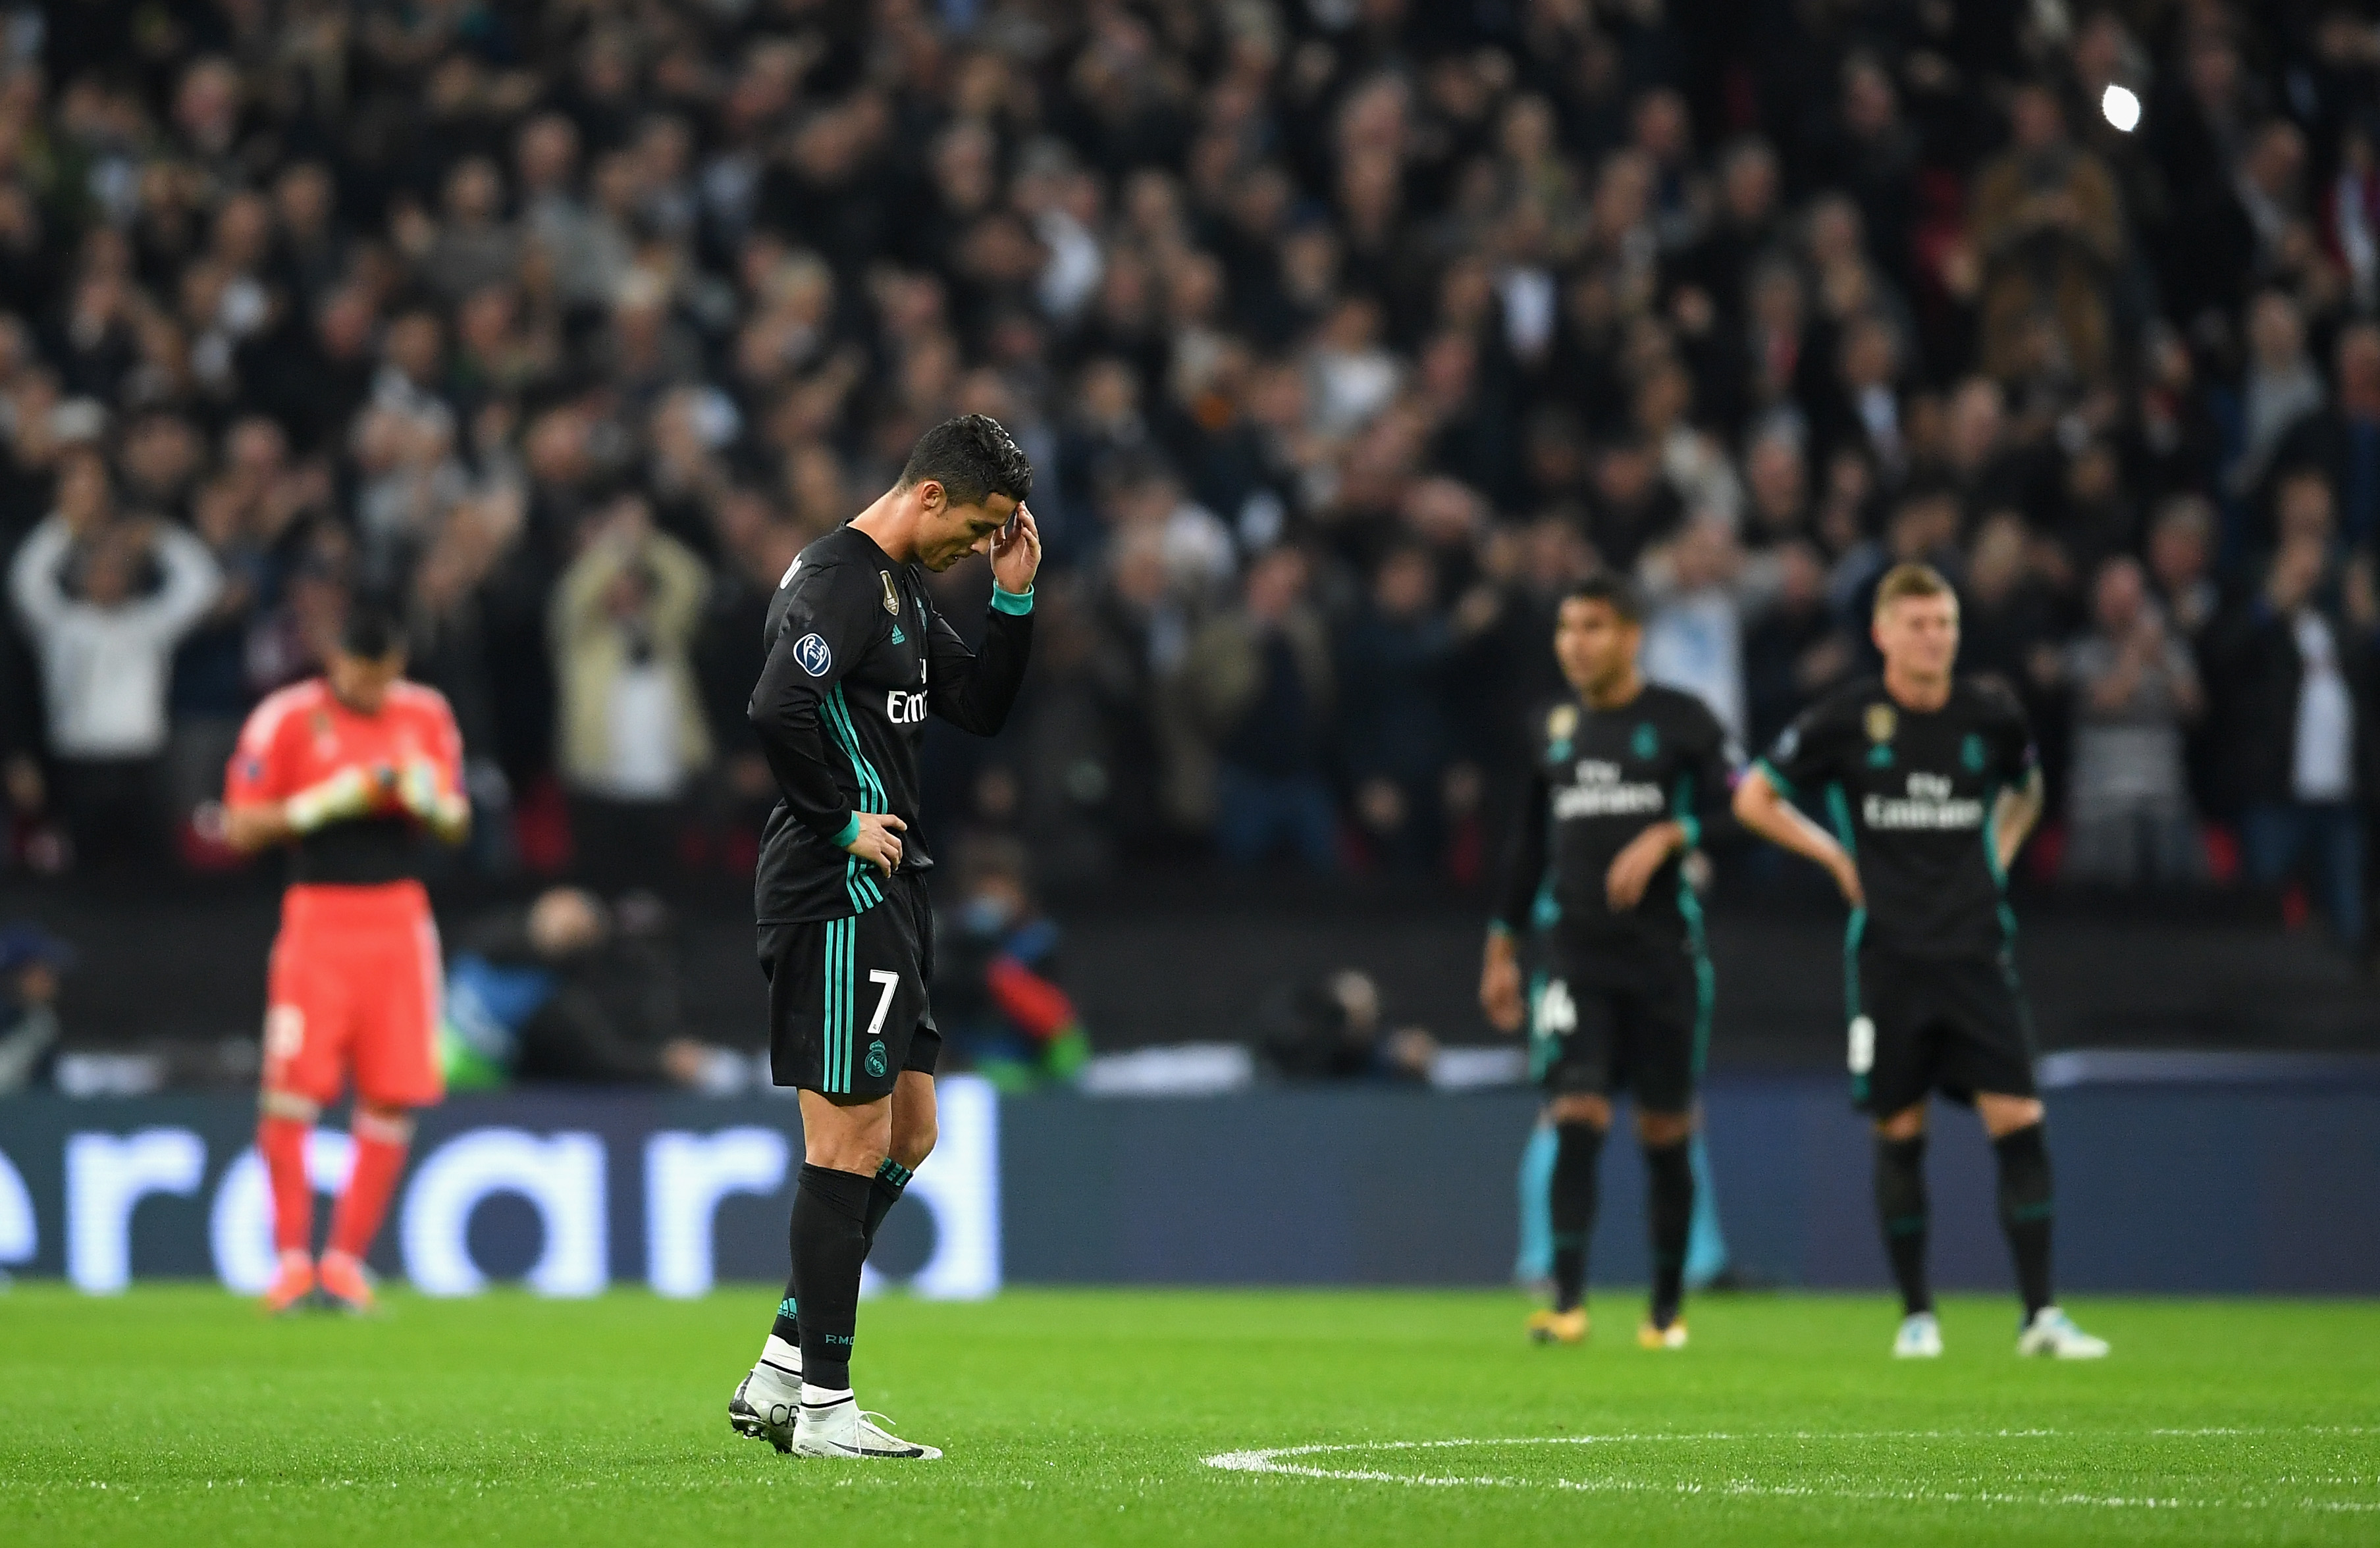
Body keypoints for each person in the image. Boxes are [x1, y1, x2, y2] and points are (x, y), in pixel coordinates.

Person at [726, 414, 1040, 1462]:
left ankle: (781, 1365)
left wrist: (1014, 595)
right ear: (932, 496)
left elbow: (979, 706)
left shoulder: (899, 589)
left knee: (909, 1133)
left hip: (889, 892)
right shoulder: (840, 579)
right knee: (846, 1142)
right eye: (980, 529)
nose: (977, 546)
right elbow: (777, 706)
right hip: (835, 891)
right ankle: (823, 1407)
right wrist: (834, 820)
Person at [1732, 562, 2109, 1360]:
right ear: (1883, 634)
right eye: (1918, 624)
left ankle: (2040, 1316)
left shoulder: (1991, 714)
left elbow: (2028, 791)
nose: (1934, 637)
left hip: (1975, 951)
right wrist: (1833, 857)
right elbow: (1752, 796)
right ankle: (1916, 1316)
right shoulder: (1847, 718)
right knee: (1901, 1133)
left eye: (1944, 623)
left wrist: (1997, 858)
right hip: (1890, 957)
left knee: (2021, 1122)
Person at [1478, 575, 1735, 1351]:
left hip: (1663, 957)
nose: (1575, 644)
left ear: (1630, 635)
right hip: (1572, 956)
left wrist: (1672, 835)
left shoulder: (1683, 721)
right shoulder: (1550, 728)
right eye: (1566, 628)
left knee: (1664, 1129)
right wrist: (1500, 948)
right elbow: (1527, 846)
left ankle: (1664, 1311)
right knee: (1577, 1114)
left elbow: (1744, 807)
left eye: (1591, 627)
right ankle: (1566, 1302)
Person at [221, 602, 471, 1314]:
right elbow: (239, 825)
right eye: (361, 677)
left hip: (398, 919)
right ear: (336, 661)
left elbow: (456, 821)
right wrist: (320, 805)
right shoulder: (287, 717)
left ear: (397, 667)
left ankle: (344, 1266)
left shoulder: (424, 712)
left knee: (392, 1094)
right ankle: (291, 1264)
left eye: (383, 678)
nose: (371, 691)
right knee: (291, 1091)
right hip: (318, 918)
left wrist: (431, 802)